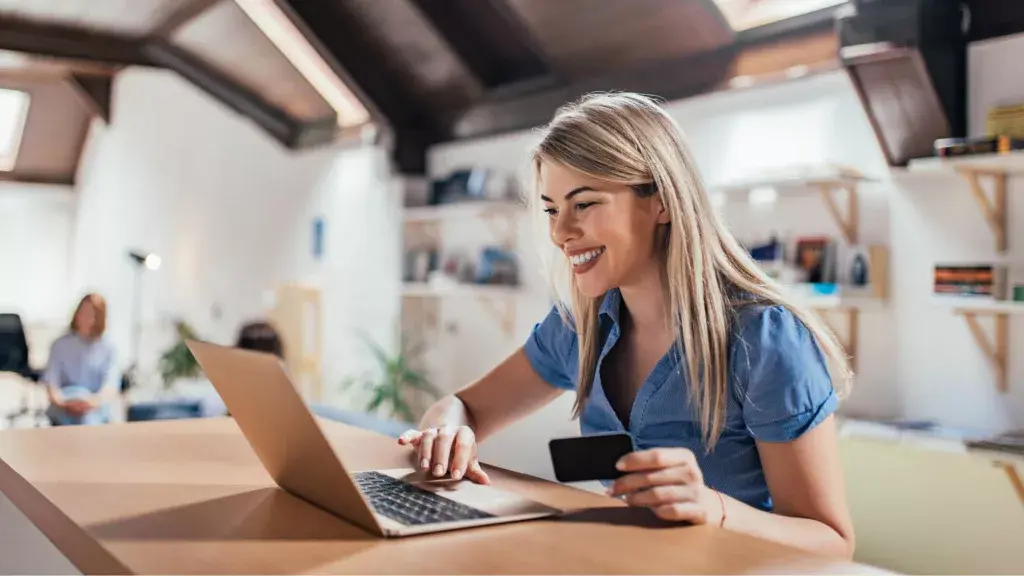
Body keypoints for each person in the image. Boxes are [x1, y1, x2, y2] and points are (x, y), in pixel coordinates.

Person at [397, 93, 856, 558]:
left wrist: (711, 507)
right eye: (552, 209)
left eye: (585, 204)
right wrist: (448, 432)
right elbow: (461, 406)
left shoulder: (764, 339)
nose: (560, 233)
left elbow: (832, 541)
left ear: (661, 202)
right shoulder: (578, 326)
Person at [43, 294, 119, 426]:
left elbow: (111, 387)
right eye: (83, 313)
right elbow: (52, 385)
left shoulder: (108, 349)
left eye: (92, 315)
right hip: (64, 407)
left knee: (89, 418)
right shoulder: (60, 345)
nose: (86, 319)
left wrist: (91, 403)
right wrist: (66, 404)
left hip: (94, 408)